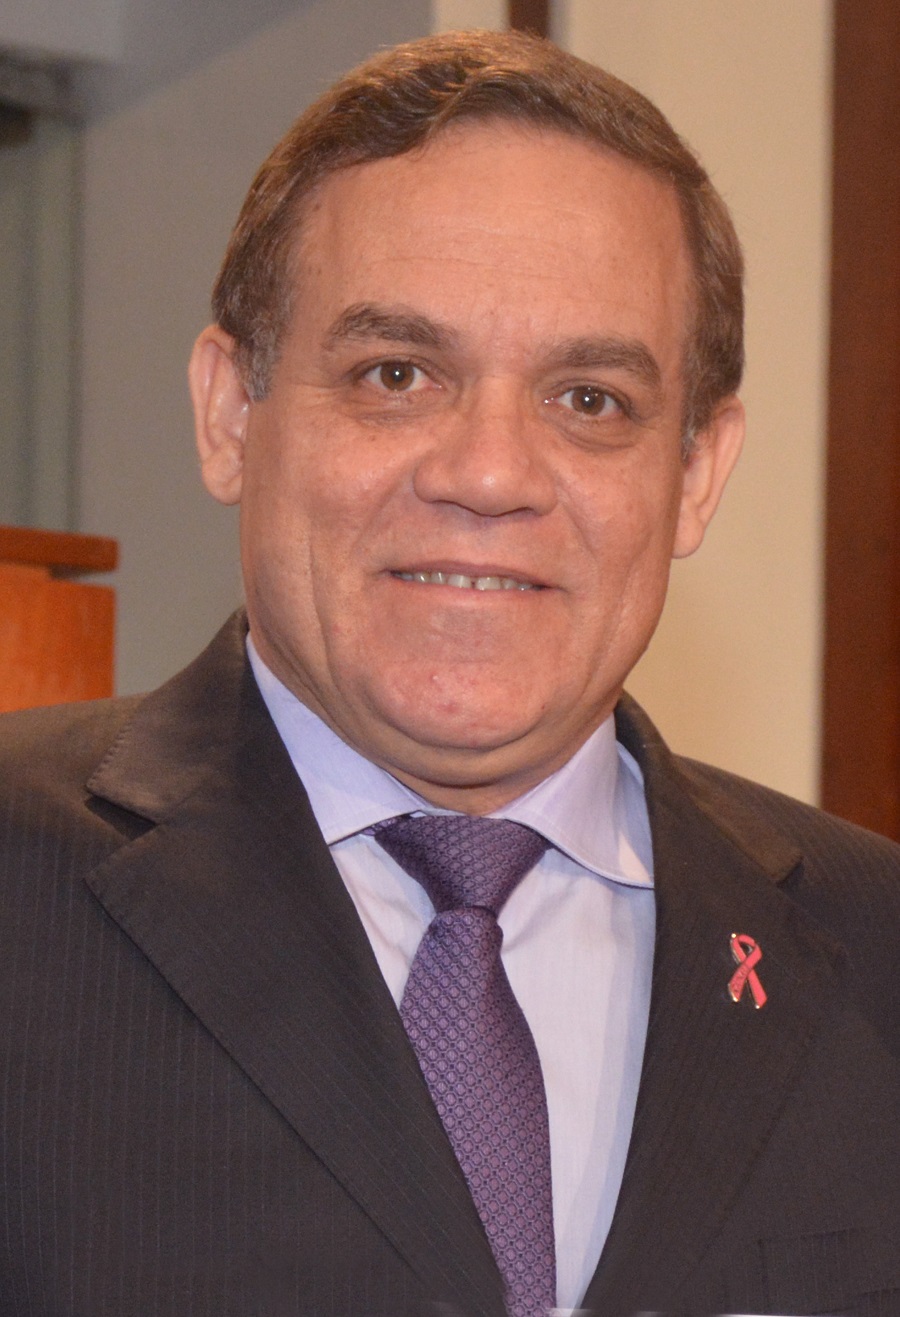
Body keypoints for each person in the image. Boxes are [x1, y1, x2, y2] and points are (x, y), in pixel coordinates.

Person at [0, 29, 898, 1317]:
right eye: (397, 376)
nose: (489, 474)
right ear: (229, 412)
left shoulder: (877, 952)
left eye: (589, 399)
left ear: (697, 472)